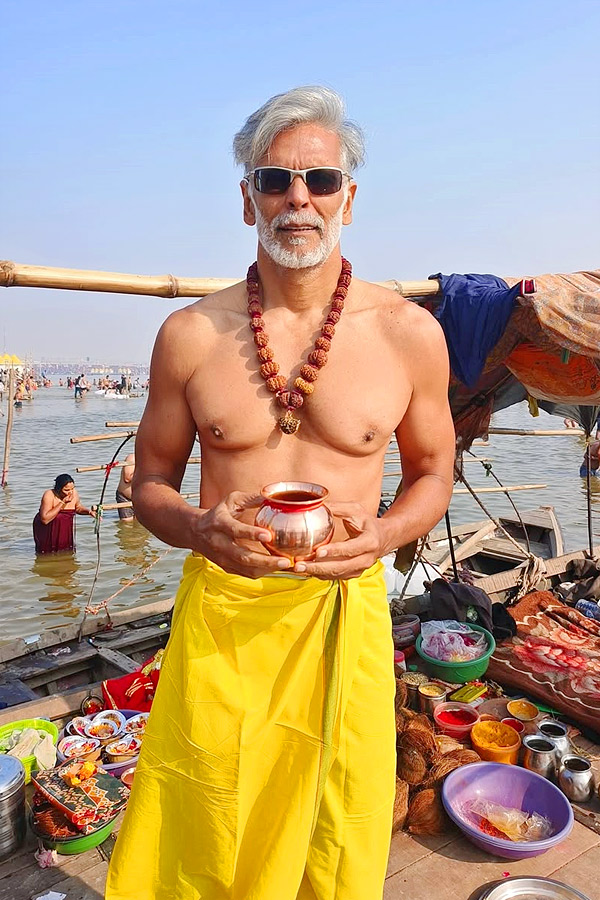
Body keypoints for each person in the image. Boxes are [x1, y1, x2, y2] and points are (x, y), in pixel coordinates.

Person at [106, 86, 455, 900]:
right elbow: (149, 483)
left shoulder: (409, 334)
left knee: (338, 828)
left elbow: (434, 471)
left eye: (319, 180)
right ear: (246, 201)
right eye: (274, 179)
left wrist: (381, 536)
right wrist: (199, 528)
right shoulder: (189, 336)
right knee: (209, 819)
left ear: (348, 200)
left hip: (345, 614)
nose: (298, 198)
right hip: (224, 617)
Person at [33, 474, 95, 554]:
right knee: (46, 553)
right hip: (47, 529)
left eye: (72, 489)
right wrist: (62, 503)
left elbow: (78, 508)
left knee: (66, 551)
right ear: (58, 489)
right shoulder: (49, 494)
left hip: (64, 528)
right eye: (66, 490)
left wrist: (89, 512)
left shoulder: (74, 493)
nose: (70, 492)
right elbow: (45, 519)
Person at [116, 453, 136, 520]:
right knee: (126, 526)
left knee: (142, 526)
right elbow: (127, 478)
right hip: (125, 497)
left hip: (142, 498)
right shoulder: (132, 457)